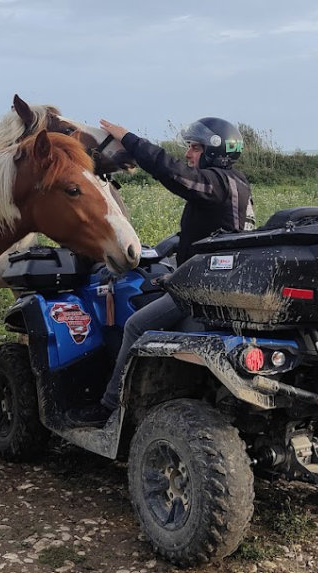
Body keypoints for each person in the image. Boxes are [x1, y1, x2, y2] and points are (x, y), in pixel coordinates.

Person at [67, 117, 255, 427]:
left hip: (205, 289)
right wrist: (174, 268)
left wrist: (129, 139)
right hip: (218, 280)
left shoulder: (216, 183)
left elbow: (171, 172)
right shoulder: (237, 184)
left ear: (213, 152)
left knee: (135, 326)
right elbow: (214, 236)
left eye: (195, 148)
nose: (188, 154)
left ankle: (111, 406)